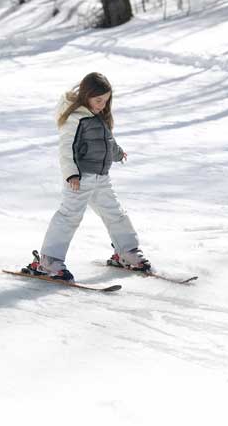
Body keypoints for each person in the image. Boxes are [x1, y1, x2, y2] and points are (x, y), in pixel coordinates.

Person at [28, 72, 150, 282]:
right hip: (79, 179)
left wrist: (118, 153)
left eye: (106, 101)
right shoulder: (75, 119)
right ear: (86, 95)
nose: (102, 105)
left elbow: (107, 143)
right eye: (98, 100)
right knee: (69, 216)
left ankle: (127, 252)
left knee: (115, 213)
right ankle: (49, 261)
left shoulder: (98, 118)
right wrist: (71, 174)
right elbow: (66, 149)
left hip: (101, 178)